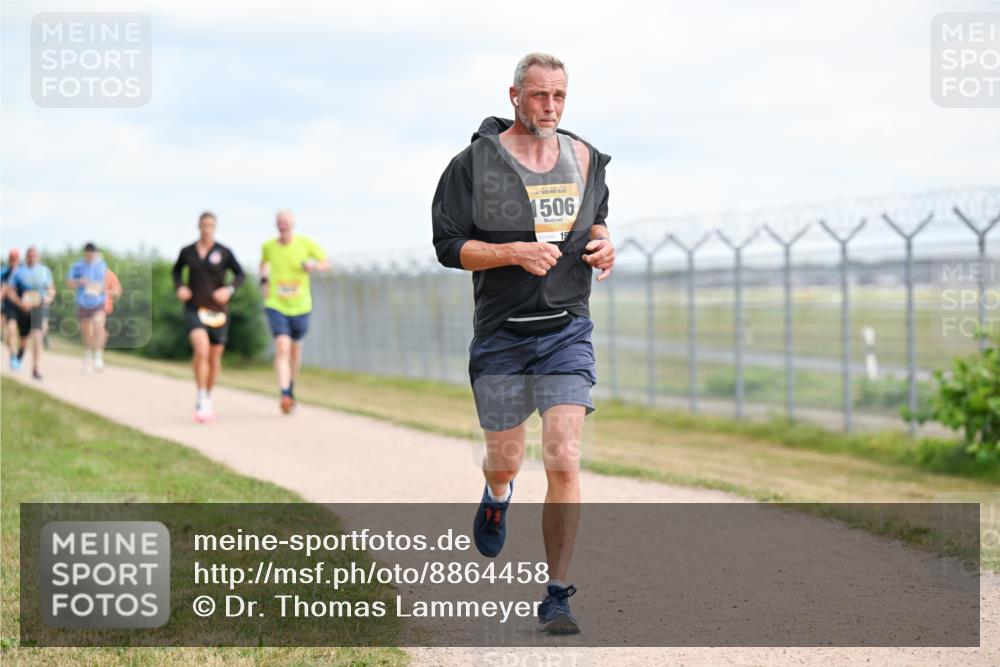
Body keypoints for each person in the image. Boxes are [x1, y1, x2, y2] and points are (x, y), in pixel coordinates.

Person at [431, 53, 615, 635]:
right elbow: (448, 245)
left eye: (560, 96)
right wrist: (512, 252)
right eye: (540, 96)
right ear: (514, 96)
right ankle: (495, 491)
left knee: (562, 455)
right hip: (503, 336)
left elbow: (598, 218)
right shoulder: (474, 165)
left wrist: (605, 244)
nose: (551, 108)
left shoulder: (584, 156)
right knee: (506, 456)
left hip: (566, 329)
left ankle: (557, 592)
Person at [172, 211, 245, 423]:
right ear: (198, 226)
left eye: (211, 225)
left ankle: (208, 395)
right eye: (204, 225)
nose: (207, 229)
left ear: (215, 227)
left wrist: (229, 290)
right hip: (194, 307)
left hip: (218, 311)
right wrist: (180, 287)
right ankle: (201, 396)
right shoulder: (187, 252)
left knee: (214, 357)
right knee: (201, 350)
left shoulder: (224, 252)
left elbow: (240, 274)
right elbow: (176, 272)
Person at [259, 209, 330, 414]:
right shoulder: (268, 246)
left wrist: (313, 266)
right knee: (282, 347)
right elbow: (263, 264)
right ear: (276, 225)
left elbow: (326, 263)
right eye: (279, 222)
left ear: (292, 224)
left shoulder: (305, 244)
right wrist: (264, 281)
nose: (282, 225)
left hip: (301, 306)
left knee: (295, 351)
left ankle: (291, 386)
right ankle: (284, 394)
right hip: (276, 303)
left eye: (286, 222)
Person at [6, 247, 56, 380]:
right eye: (29, 255)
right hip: (24, 309)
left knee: (37, 335)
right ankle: (19, 355)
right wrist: (19, 303)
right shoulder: (19, 272)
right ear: (26, 257)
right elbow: (10, 292)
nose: (32, 257)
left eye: (34, 255)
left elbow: (51, 290)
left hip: (39, 308)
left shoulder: (45, 271)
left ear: (38, 257)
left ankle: (36, 368)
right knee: (23, 339)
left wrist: (48, 298)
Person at [66, 242, 110, 373]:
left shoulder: (102, 264)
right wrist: (80, 281)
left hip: (99, 301)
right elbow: (69, 282)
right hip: (83, 302)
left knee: (99, 326)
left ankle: (98, 358)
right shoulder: (77, 265)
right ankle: (87, 357)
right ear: (85, 253)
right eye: (89, 254)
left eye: (93, 254)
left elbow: (105, 282)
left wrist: (100, 287)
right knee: (87, 331)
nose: (91, 256)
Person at [1, 249, 21, 370]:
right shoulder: (3, 273)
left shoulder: (24, 273)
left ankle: (16, 356)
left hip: (21, 307)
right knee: (10, 333)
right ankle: (13, 356)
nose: (13, 261)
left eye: (15, 258)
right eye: (11, 258)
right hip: (7, 307)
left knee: (16, 333)